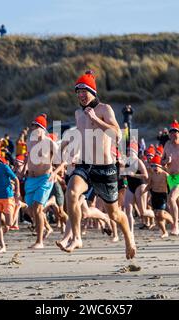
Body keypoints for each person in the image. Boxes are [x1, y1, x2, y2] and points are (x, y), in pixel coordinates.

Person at [60, 70, 136, 259]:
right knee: (71, 191)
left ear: (93, 92)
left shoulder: (104, 109)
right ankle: (76, 237)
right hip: (85, 165)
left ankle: (129, 238)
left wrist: (95, 119)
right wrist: (71, 148)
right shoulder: (78, 113)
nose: (80, 95)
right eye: (78, 92)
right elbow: (82, 137)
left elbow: (117, 134)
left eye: (84, 91)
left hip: (106, 168)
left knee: (114, 214)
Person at [25, 114, 64, 249]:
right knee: (30, 210)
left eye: (36, 127)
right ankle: (44, 229)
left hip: (45, 179)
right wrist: (24, 168)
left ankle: (39, 241)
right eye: (32, 126)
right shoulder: (30, 141)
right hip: (30, 179)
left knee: (37, 208)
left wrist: (54, 172)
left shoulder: (49, 143)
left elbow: (64, 160)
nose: (33, 129)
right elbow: (28, 158)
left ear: (43, 129)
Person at [0, 144, 20, 253]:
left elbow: (16, 179)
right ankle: (2, 246)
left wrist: (17, 192)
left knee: (9, 223)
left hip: (7, 197)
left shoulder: (5, 167)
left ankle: (18, 206)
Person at [145, 155, 173, 238]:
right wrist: (144, 192)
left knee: (160, 213)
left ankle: (173, 222)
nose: (154, 168)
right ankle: (164, 232)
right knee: (157, 216)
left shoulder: (165, 175)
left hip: (163, 195)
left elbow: (172, 185)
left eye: (156, 166)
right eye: (152, 166)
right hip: (154, 195)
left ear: (160, 166)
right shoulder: (152, 174)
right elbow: (150, 184)